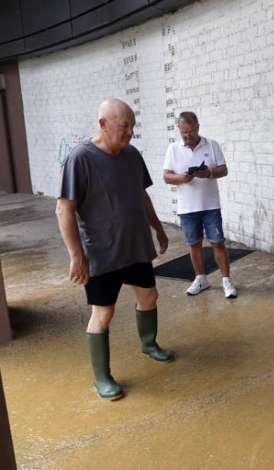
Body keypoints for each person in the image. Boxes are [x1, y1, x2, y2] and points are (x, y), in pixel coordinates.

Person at [56, 98, 173, 401]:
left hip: (135, 245)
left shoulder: (132, 155)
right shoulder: (80, 158)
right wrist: (77, 255)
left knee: (149, 296)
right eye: (124, 126)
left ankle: (149, 344)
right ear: (103, 124)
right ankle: (102, 377)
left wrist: (158, 228)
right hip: (102, 252)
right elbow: (63, 210)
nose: (130, 132)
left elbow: (142, 196)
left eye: (132, 126)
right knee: (103, 313)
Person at [163, 111, 237, 298]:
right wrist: (181, 177)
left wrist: (209, 174)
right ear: (179, 129)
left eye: (191, 132)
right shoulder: (173, 149)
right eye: (183, 132)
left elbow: (224, 169)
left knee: (217, 243)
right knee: (194, 245)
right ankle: (201, 279)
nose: (188, 136)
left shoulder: (212, 145)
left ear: (198, 127)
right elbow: (166, 176)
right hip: (187, 207)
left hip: (210, 205)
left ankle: (226, 280)